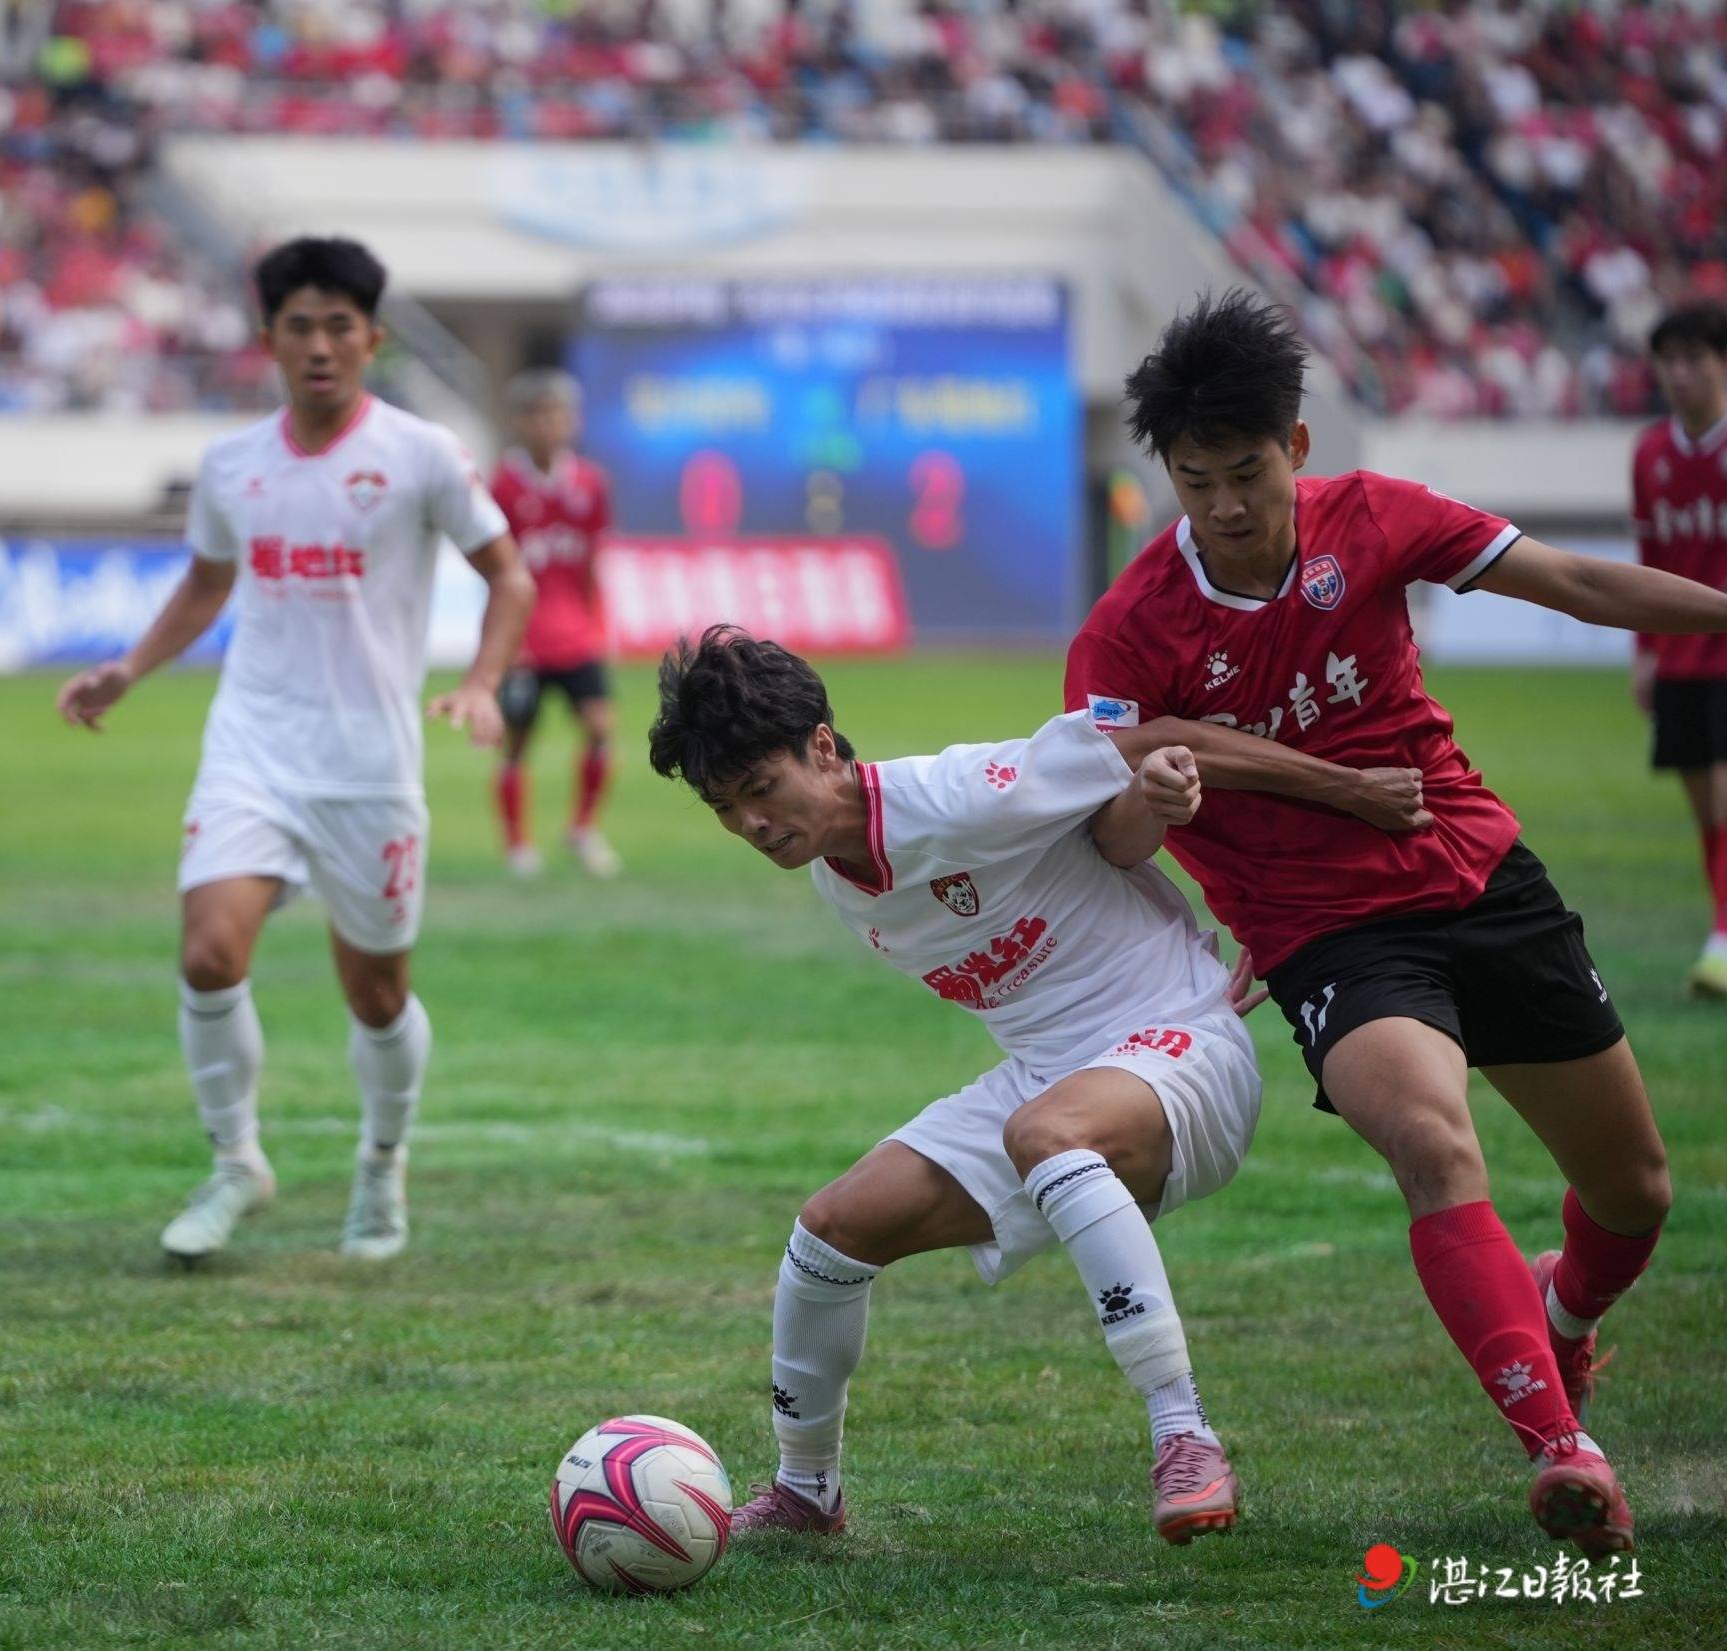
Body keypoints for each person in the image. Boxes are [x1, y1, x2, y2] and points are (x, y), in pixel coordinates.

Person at [1066, 291, 1727, 1557]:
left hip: (1478, 875)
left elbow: (1579, 580)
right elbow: (1107, 828)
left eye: (1247, 473)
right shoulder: (1127, 631)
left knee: (1636, 1192)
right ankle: (1560, 1447)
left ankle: (1565, 1307)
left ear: (1297, 449)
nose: (1224, 507)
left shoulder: (1372, 519)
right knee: (1434, 1140)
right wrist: (1161, 802)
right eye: (1194, 480)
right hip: (1328, 938)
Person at [648, 626, 1432, 1544]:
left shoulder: (953, 795)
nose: (750, 823)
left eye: (760, 789)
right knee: (828, 1237)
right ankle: (804, 1492)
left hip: (1180, 1044)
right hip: (1049, 1082)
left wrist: (1350, 795)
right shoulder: (832, 865)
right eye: (724, 807)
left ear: (823, 746)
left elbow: (1164, 740)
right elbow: (1113, 845)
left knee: (1045, 1132)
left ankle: (1186, 1434)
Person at [55, 237, 534, 1263]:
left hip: (369, 767)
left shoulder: (421, 454)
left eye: (339, 326)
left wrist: (484, 683)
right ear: (268, 340)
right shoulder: (234, 465)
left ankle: (380, 1164)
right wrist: (128, 669)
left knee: (377, 995)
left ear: (374, 338)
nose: (320, 346)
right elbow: (205, 584)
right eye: (299, 327)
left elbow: (510, 575)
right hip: (254, 747)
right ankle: (237, 1163)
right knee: (208, 951)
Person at [488, 370, 620, 878]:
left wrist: (596, 623)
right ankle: (518, 844)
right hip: (523, 641)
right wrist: (504, 637)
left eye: (557, 414)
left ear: (573, 421)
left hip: (574, 637)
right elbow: (493, 568)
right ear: (520, 422)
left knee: (600, 727)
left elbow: (590, 561)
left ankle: (582, 829)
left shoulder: (590, 483)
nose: (548, 424)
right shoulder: (501, 485)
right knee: (517, 743)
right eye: (538, 414)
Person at [1631, 301, 1727, 997]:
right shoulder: (1652, 455)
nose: (1681, 374)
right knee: (1707, 809)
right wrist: (1644, 650)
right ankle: (1722, 930)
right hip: (1680, 658)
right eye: (1670, 361)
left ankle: (1722, 939)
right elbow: (1651, 553)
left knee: (1725, 797)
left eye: (1695, 358)